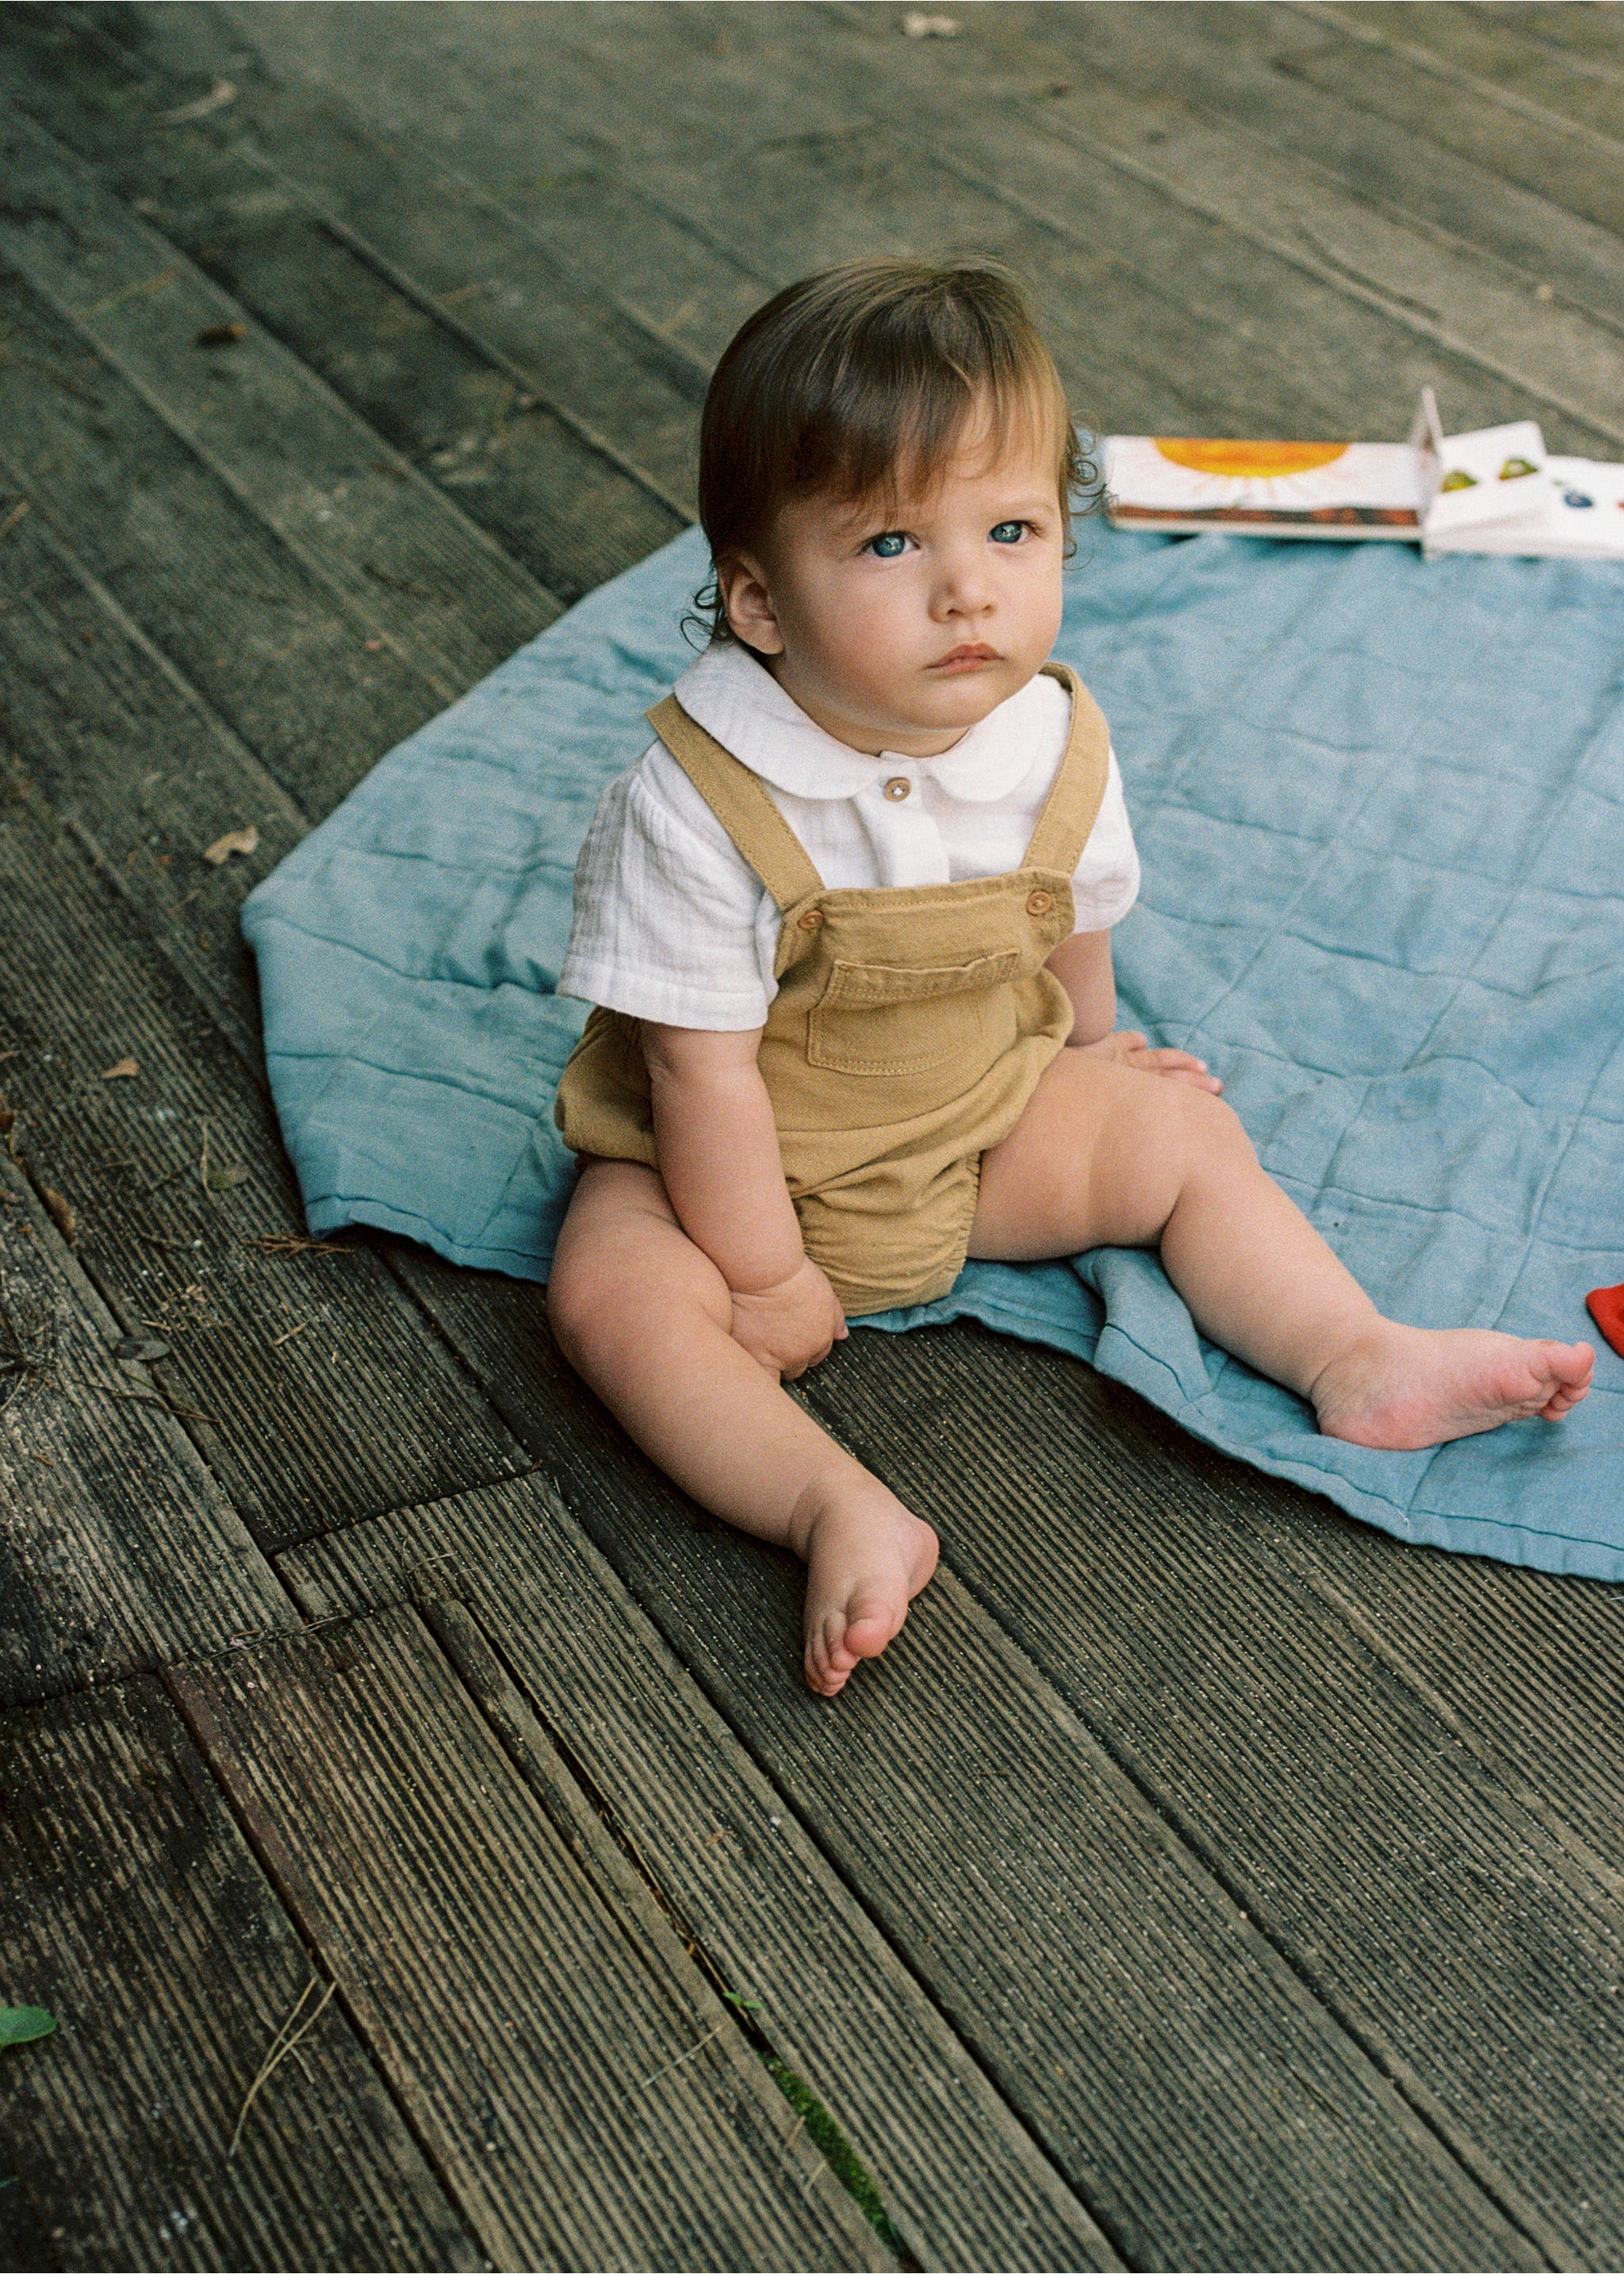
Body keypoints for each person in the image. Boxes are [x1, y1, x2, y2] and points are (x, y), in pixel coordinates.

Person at [546, 259, 1594, 1698]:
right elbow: (695, 1072)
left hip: (973, 1131)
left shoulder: (1048, 739)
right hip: (731, 1173)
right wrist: (767, 1272)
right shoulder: (699, 801)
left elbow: (1071, 920)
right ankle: (829, 1504)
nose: (970, 586)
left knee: (1180, 1134)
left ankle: (1354, 1354)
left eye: (1014, 527)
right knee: (614, 1299)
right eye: (893, 545)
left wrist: (1089, 1064)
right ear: (761, 601)